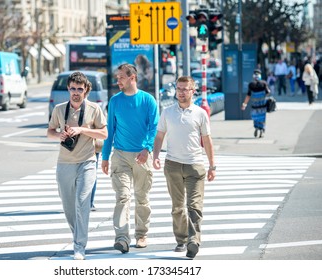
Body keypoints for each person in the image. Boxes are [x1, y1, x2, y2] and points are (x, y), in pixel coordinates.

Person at [152, 76, 216, 259]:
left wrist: (213, 166)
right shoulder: (167, 112)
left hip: (195, 166)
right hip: (172, 165)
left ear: (192, 91)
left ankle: (193, 241)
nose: (180, 92)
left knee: (194, 206)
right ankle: (181, 239)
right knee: (178, 207)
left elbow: (207, 140)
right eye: (178, 89)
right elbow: (159, 136)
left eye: (184, 89)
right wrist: (156, 156)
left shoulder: (200, 113)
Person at [47, 71, 107, 260]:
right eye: (72, 88)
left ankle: (79, 245)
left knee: (82, 203)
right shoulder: (59, 109)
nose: (75, 92)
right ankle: (77, 235)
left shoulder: (94, 109)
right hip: (65, 163)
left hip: (88, 161)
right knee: (69, 207)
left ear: (85, 90)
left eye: (79, 89)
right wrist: (60, 136)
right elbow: (49, 131)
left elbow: (104, 134)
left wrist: (81, 129)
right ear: (68, 88)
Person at [101, 63, 159, 254]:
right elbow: (110, 131)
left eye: (121, 77)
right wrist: (105, 157)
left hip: (142, 155)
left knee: (142, 197)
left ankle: (141, 234)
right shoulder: (115, 101)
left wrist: (147, 148)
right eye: (117, 78)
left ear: (132, 77)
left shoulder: (148, 100)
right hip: (120, 155)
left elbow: (153, 128)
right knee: (122, 197)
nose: (118, 81)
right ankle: (122, 238)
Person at [241, 69, 270, 138]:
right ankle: (262, 131)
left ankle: (256, 128)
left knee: (256, 117)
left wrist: (244, 104)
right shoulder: (264, 84)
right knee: (262, 118)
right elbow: (268, 92)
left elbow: (248, 95)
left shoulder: (251, 85)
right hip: (262, 105)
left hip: (255, 105)